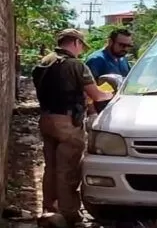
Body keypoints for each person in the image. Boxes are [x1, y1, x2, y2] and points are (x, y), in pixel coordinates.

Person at [31, 28, 114, 227]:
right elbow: (96, 95)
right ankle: (68, 214)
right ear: (75, 42)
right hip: (67, 123)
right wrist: (111, 95)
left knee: (50, 168)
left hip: (46, 119)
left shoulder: (44, 62)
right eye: (81, 46)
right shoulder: (76, 65)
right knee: (68, 168)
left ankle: (49, 209)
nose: (81, 51)